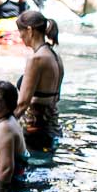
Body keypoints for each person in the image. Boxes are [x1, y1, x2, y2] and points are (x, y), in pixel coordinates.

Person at [14, 10, 64, 151]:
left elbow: (23, 103)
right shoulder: (55, 55)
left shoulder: (36, 59)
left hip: (35, 131)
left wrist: (1, 125)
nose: (20, 36)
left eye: (20, 31)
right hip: (52, 128)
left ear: (29, 30)